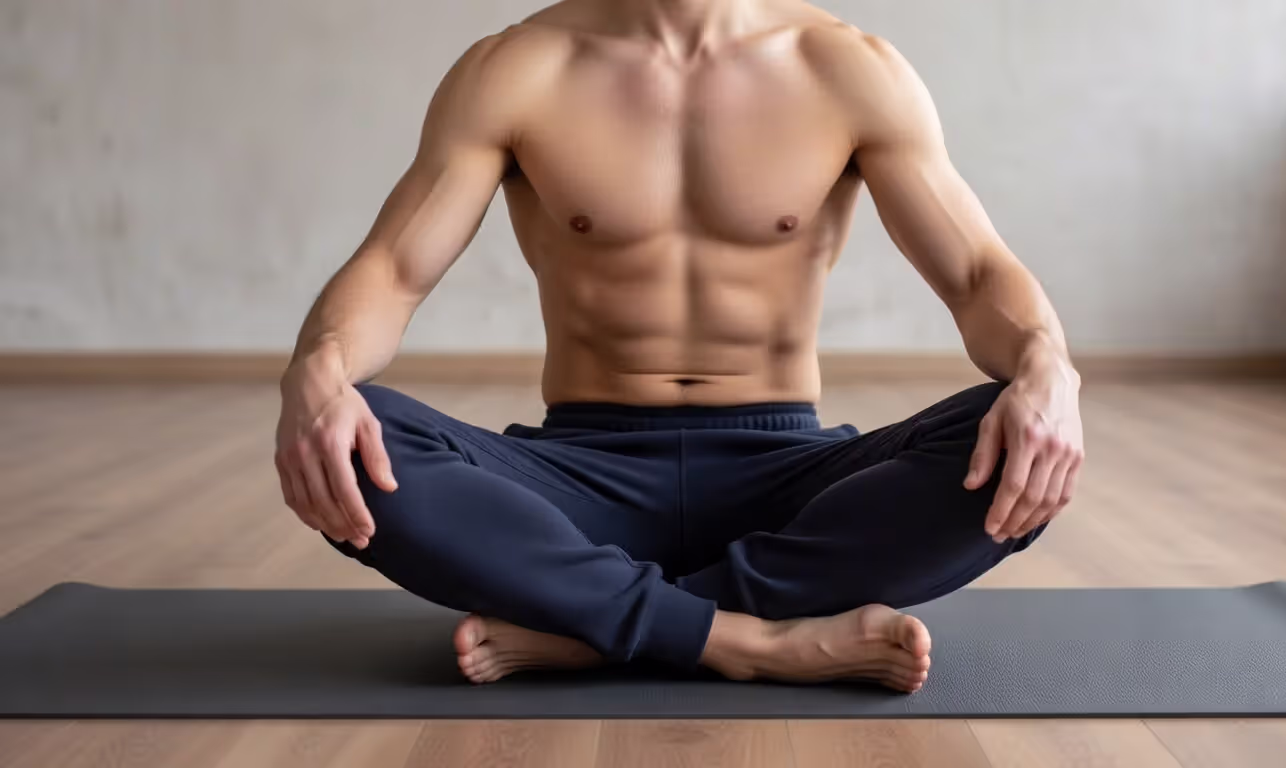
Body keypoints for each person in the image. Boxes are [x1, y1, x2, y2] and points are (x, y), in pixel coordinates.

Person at [275, 0, 1084, 693]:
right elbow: (393, 273)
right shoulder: (519, 67)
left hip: (787, 475)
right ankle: (752, 640)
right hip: (580, 477)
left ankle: (595, 628)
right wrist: (319, 371)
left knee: (1010, 440)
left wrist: (1047, 364)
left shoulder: (845, 67)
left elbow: (978, 274)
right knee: (357, 443)